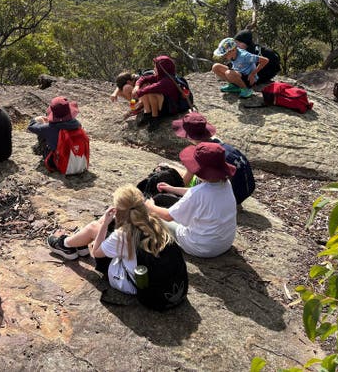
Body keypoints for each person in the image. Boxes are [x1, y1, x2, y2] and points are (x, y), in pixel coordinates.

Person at [47, 185, 183, 295]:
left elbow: (96, 253)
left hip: (131, 284)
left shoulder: (123, 235)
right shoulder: (154, 221)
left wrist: (105, 224)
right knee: (99, 226)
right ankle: (80, 245)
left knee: (94, 227)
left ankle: (65, 245)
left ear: (119, 211)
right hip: (162, 282)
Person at [145, 142, 237, 258]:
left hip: (199, 247)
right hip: (224, 243)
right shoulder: (225, 184)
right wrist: (172, 189)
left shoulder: (198, 193)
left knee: (153, 217)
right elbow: (197, 193)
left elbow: (168, 216)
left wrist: (150, 206)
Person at [172, 112, 255, 205]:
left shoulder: (202, 153)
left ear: (189, 137)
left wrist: (170, 190)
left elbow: (185, 181)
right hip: (246, 190)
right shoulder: (218, 144)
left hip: (229, 199)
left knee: (172, 171)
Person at [132, 55, 187, 130]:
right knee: (146, 90)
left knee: (150, 92)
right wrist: (137, 86)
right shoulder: (162, 76)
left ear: (162, 69)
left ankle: (155, 118)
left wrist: (137, 93)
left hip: (172, 107)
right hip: (165, 104)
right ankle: (147, 114)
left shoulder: (168, 80)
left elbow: (153, 87)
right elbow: (144, 78)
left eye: (156, 67)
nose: (154, 69)